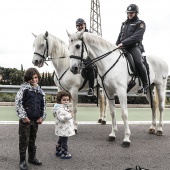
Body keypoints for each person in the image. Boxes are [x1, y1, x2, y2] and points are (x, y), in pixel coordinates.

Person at [15, 67, 46, 170]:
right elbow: (18, 103)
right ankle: (22, 161)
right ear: (27, 78)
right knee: (24, 140)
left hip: (35, 120)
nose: (34, 80)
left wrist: (42, 117)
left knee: (32, 140)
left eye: (36, 77)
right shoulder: (24, 89)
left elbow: (43, 105)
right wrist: (23, 117)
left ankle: (32, 157)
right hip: (26, 121)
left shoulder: (40, 90)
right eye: (31, 78)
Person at [116, 4, 148, 94]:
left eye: (132, 13)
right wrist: (116, 45)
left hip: (134, 47)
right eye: (128, 13)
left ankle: (145, 84)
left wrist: (123, 43)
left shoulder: (140, 23)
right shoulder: (124, 23)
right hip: (122, 46)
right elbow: (120, 35)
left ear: (136, 13)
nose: (130, 14)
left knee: (138, 62)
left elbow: (136, 37)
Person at [52, 91, 75, 159]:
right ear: (60, 100)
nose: (66, 101)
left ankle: (58, 150)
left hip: (62, 128)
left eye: (67, 100)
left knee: (61, 139)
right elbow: (62, 118)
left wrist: (68, 111)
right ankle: (64, 153)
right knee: (64, 141)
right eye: (64, 100)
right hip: (64, 128)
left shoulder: (62, 107)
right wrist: (70, 115)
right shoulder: (60, 109)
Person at [76, 18, 95, 96]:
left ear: (85, 25)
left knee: (90, 67)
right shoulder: (75, 35)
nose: (80, 27)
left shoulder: (89, 34)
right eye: (78, 26)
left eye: (81, 25)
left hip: (88, 55)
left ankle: (91, 88)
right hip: (78, 56)